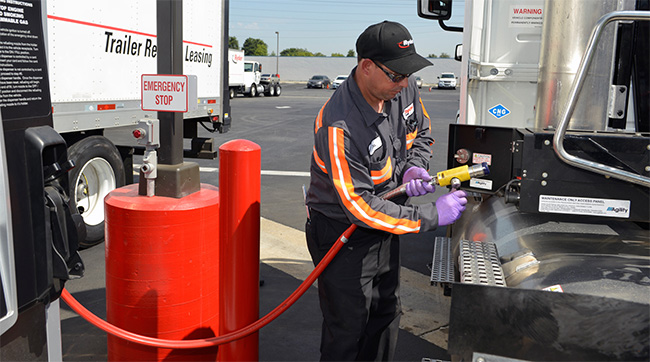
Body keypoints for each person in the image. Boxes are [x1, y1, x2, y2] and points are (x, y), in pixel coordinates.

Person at [304, 20, 468, 361]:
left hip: (384, 223)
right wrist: (432, 215)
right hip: (342, 234)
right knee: (347, 327)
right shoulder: (338, 126)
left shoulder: (400, 90)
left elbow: (421, 133)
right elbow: (360, 207)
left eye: (408, 74)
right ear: (366, 67)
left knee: (384, 313)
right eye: (396, 74)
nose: (405, 82)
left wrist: (412, 165)